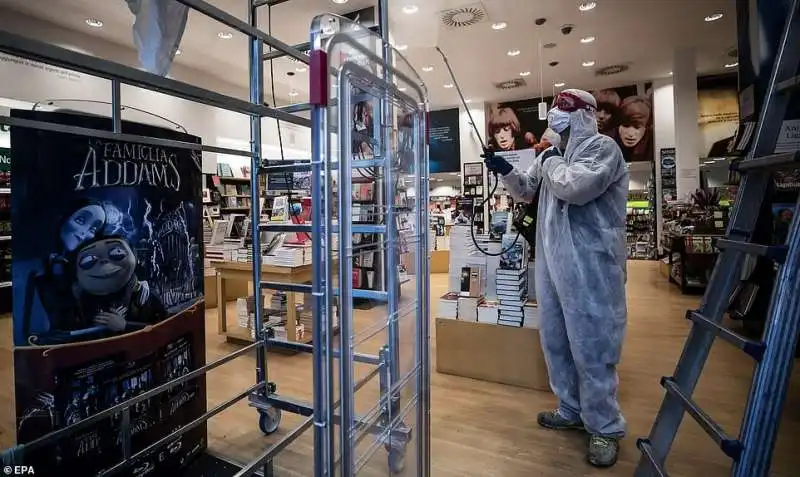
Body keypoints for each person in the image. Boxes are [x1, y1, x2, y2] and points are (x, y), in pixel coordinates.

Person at [483, 89, 629, 467]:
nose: (556, 116)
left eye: (565, 108)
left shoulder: (602, 150)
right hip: (551, 263)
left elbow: (574, 188)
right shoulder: (553, 155)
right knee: (556, 338)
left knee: (592, 344)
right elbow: (528, 191)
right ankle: (570, 408)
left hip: (592, 266)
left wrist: (546, 157)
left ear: (585, 114)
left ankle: (605, 426)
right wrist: (505, 170)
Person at [616, 96, 653, 163]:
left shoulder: (652, 142)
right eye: (626, 126)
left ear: (646, 127)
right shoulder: (606, 142)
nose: (631, 134)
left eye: (637, 127)